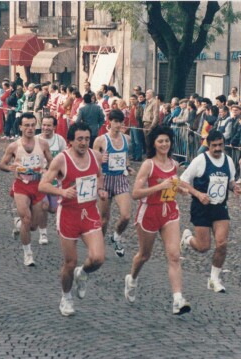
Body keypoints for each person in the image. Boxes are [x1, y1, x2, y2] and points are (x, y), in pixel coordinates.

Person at [39, 122, 107, 317]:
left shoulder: (95, 156)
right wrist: (61, 191)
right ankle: (66, 296)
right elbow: (43, 185)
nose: (84, 143)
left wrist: (101, 190)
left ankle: (83, 272)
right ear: (70, 141)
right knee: (70, 262)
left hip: (89, 211)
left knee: (98, 258)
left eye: (87, 139)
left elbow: (99, 176)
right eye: (80, 139)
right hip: (68, 214)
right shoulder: (61, 160)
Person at [125, 125, 191, 315]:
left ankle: (178, 299)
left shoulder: (173, 164)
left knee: (174, 255)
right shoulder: (148, 164)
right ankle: (132, 279)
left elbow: (172, 183)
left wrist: (180, 189)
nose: (164, 144)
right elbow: (136, 193)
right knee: (144, 255)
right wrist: (159, 186)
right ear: (153, 143)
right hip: (149, 212)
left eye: (167, 141)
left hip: (169, 211)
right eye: (160, 141)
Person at [180, 130, 240, 293]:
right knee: (203, 247)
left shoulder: (228, 161)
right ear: (208, 145)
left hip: (220, 207)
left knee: (222, 244)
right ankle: (187, 238)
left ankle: (214, 278)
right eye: (214, 146)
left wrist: (234, 187)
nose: (218, 148)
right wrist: (198, 194)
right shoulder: (200, 160)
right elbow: (183, 181)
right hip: (202, 207)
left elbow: (230, 180)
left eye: (220, 145)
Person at [0, 112, 53, 266]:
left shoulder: (42, 144)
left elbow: (52, 163)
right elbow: (2, 165)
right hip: (21, 185)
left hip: (37, 185)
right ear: (21, 127)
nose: (30, 128)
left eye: (32, 125)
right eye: (27, 125)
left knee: (33, 226)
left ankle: (18, 224)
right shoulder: (14, 145)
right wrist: (12, 168)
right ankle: (28, 254)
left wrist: (46, 170)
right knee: (26, 219)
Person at [93, 110, 135, 257]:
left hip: (120, 180)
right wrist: (100, 160)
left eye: (120, 122)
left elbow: (125, 157)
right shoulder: (100, 140)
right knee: (104, 219)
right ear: (109, 122)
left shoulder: (127, 139)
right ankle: (99, 247)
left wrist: (128, 167)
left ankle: (116, 236)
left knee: (126, 216)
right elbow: (93, 161)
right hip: (105, 179)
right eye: (115, 121)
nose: (118, 125)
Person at [36, 115, 67, 244]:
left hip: (54, 180)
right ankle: (43, 233)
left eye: (49, 125)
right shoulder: (35, 139)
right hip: (38, 179)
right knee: (44, 205)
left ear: (54, 127)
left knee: (53, 209)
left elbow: (65, 158)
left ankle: (30, 214)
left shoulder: (60, 141)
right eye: (43, 125)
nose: (45, 128)